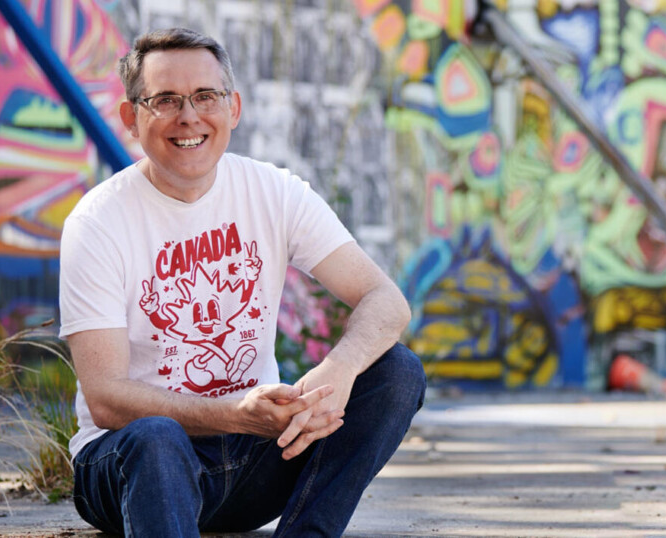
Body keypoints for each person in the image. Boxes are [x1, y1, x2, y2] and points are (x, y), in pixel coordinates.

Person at [58, 27, 426, 537]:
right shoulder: (97, 222)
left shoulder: (273, 192)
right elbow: (106, 399)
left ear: (233, 108)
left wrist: (338, 371)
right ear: (130, 117)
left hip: (251, 460)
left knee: (397, 372)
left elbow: (387, 301)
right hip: (130, 465)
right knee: (158, 438)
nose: (189, 116)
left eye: (205, 96)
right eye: (165, 99)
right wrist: (232, 414)